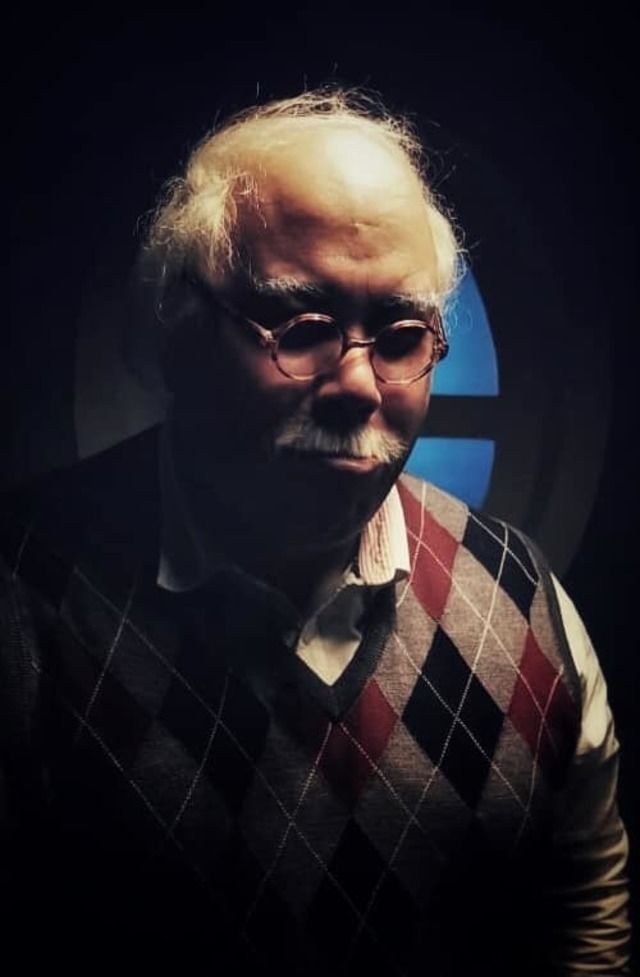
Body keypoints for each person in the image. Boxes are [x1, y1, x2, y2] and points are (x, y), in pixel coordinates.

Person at [1, 88, 631, 975]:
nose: (359, 387)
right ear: (180, 331)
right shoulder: (23, 604)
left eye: (402, 336)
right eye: (301, 327)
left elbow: (583, 914)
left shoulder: (522, 597)